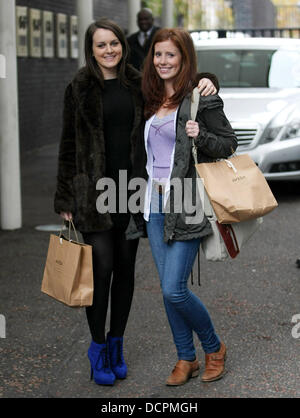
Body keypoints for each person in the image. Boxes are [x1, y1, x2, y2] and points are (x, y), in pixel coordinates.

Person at [54, 19, 218, 386]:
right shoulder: (78, 87)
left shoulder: (136, 83)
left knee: (126, 271)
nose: (109, 50)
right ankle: (97, 347)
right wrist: (65, 196)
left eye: (114, 43)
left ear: (122, 46)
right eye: (101, 45)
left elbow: (177, 81)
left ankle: (117, 344)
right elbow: (67, 144)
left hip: (132, 191)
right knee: (101, 271)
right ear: (91, 50)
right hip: (94, 195)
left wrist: (210, 79)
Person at [127, 28, 238, 386]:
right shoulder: (149, 97)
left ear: (184, 58)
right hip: (154, 202)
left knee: (174, 289)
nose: (163, 61)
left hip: (187, 200)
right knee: (166, 288)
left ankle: (213, 346)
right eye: (158, 55)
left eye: (170, 55)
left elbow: (228, 144)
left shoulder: (200, 98)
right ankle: (185, 357)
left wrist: (199, 135)